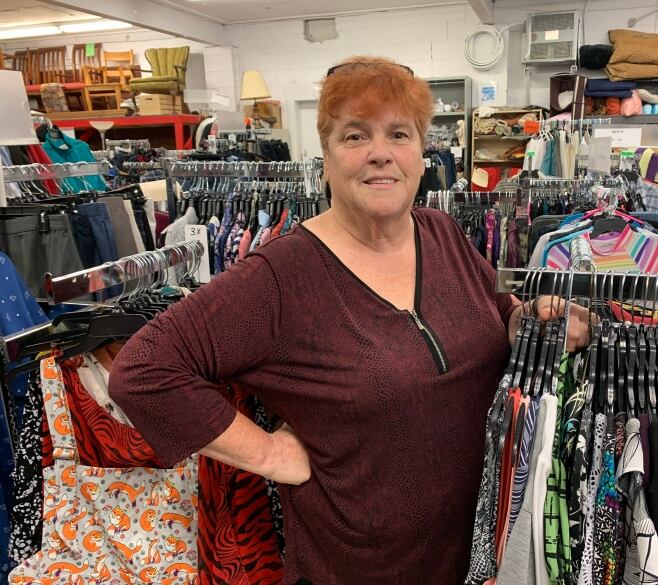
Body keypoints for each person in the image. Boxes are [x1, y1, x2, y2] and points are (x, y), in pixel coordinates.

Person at [108, 56, 592, 585]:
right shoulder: (280, 274)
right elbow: (144, 372)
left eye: (399, 134)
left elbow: (493, 312)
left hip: (477, 549)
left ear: (421, 153)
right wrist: (270, 454)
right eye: (355, 136)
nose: (380, 154)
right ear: (326, 157)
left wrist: (529, 323)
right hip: (361, 564)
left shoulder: (440, 232)